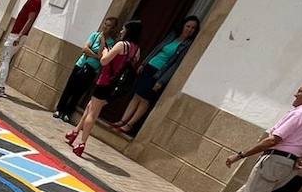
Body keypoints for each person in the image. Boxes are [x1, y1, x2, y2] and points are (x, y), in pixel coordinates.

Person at [65, 19, 142, 158]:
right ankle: (75, 132)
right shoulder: (136, 49)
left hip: (105, 81)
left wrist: (106, 50)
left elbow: (104, 61)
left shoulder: (121, 45)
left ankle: (82, 143)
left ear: (129, 31)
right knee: (90, 106)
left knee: (92, 113)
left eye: (123, 29)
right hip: (115, 87)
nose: (121, 31)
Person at [112, 16, 201, 134]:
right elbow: (157, 50)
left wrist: (162, 81)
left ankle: (129, 125)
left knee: (145, 99)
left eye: (193, 28)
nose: (189, 29)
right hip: (149, 67)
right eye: (188, 26)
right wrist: (144, 63)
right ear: (183, 26)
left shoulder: (187, 45)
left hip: (158, 74)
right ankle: (122, 121)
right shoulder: (172, 37)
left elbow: (176, 64)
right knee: (137, 95)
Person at [54, 16, 119, 123]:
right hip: (81, 65)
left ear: (113, 29)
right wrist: (97, 56)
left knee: (79, 92)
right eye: (105, 24)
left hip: (92, 70)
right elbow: (85, 49)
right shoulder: (94, 35)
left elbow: (102, 56)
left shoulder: (111, 43)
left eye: (109, 26)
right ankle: (59, 109)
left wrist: (102, 43)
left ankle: (67, 112)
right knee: (69, 88)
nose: (105, 27)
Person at [0, 0, 45, 97]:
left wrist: (20, 35)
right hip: (16, 33)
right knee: (5, 58)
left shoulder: (35, 0)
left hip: (17, 35)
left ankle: (0, 86)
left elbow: (30, 19)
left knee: (5, 59)